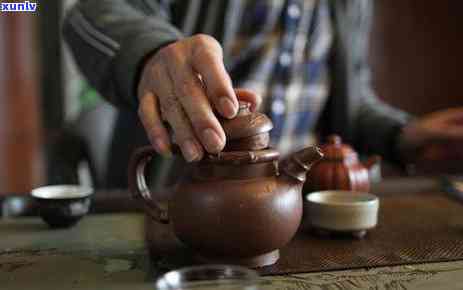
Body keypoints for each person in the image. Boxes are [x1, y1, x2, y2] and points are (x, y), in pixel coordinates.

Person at [63, 0, 463, 185]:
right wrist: (151, 55)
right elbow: (90, 13)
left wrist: (403, 135)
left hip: (302, 210)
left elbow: (351, 105)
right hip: (181, 203)